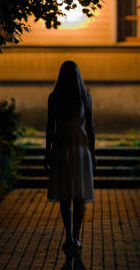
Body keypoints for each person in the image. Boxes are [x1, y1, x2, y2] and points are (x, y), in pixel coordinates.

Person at [44, 60, 96, 254]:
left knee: (67, 194)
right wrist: (94, 151)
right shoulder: (85, 97)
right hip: (80, 147)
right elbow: (90, 127)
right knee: (79, 194)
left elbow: (50, 128)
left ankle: (70, 236)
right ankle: (75, 236)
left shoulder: (55, 97)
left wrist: (47, 151)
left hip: (62, 145)